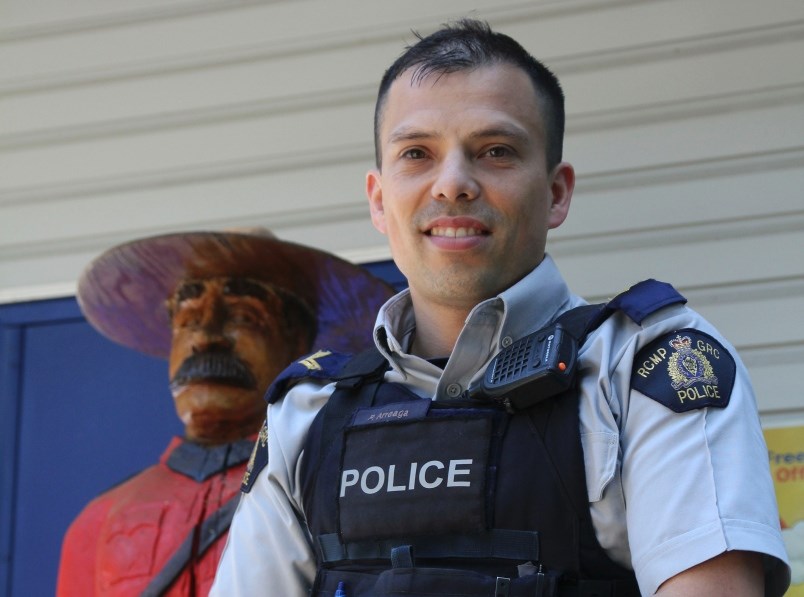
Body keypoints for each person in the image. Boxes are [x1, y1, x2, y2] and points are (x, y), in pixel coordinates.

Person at [210, 20, 791, 597]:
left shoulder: (646, 368)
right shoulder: (307, 416)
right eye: (417, 153)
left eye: (495, 151)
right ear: (380, 201)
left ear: (557, 192)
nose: (454, 183)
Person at [56, 228, 393, 596]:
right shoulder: (98, 520)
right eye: (188, 321)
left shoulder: (339, 494)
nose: (205, 339)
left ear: (297, 340)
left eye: (243, 318)